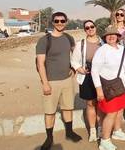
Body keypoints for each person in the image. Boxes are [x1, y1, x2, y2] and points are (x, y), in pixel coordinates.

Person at [35, 12, 81, 150]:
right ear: (52, 22)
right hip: (51, 81)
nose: (60, 23)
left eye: (62, 21)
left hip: (67, 80)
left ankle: (69, 132)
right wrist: (45, 83)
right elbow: (40, 63)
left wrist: (74, 69)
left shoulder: (69, 38)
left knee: (68, 107)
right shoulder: (44, 40)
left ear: (66, 22)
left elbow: (76, 56)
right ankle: (49, 138)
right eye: (57, 21)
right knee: (50, 111)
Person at [90, 26, 125, 150]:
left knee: (119, 110)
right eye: (108, 35)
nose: (111, 36)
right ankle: (105, 140)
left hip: (123, 87)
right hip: (110, 88)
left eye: (114, 34)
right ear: (105, 38)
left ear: (118, 37)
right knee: (111, 113)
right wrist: (98, 89)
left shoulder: (123, 50)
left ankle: (117, 131)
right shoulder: (102, 50)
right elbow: (94, 71)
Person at [70, 20, 103, 142]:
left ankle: (100, 128)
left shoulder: (103, 42)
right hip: (87, 76)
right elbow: (74, 60)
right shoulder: (81, 44)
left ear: (95, 27)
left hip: (101, 76)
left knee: (100, 103)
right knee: (90, 104)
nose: (90, 29)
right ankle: (93, 130)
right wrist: (79, 69)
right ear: (85, 30)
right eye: (87, 27)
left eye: (92, 26)